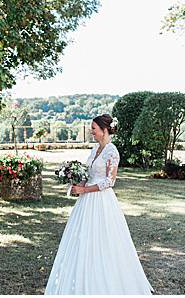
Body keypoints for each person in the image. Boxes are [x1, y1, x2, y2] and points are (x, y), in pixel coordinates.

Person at [44, 114, 152, 295]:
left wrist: (85, 190)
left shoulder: (112, 152)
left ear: (105, 130)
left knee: (104, 241)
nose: (91, 132)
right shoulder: (95, 149)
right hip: (85, 202)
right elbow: (89, 173)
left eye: (94, 129)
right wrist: (78, 184)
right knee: (82, 239)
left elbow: (110, 181)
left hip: (102, 202)